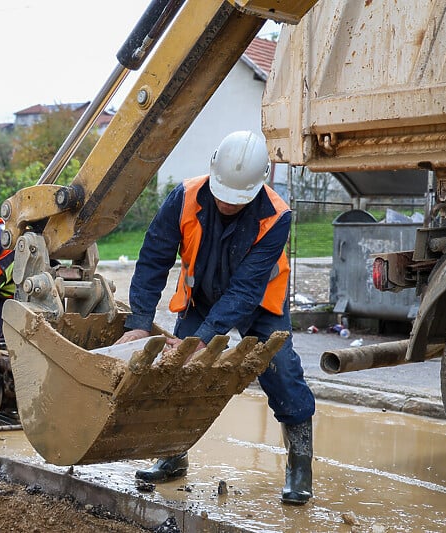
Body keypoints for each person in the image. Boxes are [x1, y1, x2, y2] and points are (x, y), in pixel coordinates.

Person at [116, 131, 315, 505]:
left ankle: (300, 466)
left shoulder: (277, 215)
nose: (227, 204)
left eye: (236, 200)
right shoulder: (184, 197)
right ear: (212, 173)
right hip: (202, 298)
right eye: (222, 195)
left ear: (257, 188)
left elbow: (246, 288)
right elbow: (153, 259)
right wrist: (140, 319)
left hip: (259, 303)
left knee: (283, 372)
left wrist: (206, 337)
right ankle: (172, 455)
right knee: (178, 368)